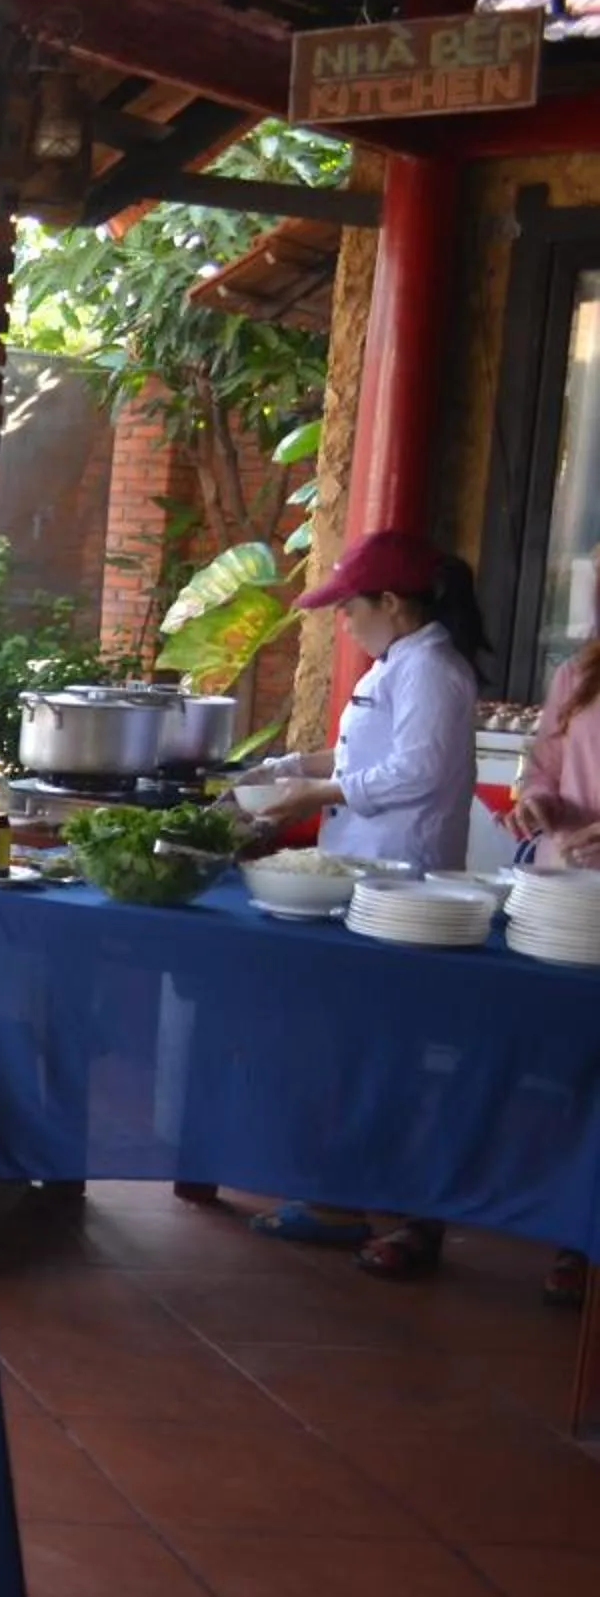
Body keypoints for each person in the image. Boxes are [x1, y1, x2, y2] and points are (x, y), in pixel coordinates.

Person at [243, 529, 486, 1279]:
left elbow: (417, 769)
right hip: (366, 877)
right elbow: (364, 756)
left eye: (351, 608)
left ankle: (415, 1218)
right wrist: (287, 766)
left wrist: (313, 792)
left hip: (404, 882)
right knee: (357, 1046)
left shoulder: (434, 670)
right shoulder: (399, 664)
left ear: (391, 603)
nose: (343, 622)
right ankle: (342, 1200)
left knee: (397, 1054)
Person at [501, 612, 600, 1306]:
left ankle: (582, 1239)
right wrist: (536, 804)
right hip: (561, 894)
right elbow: (546, 769)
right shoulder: (578, 674)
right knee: (545, 1059)